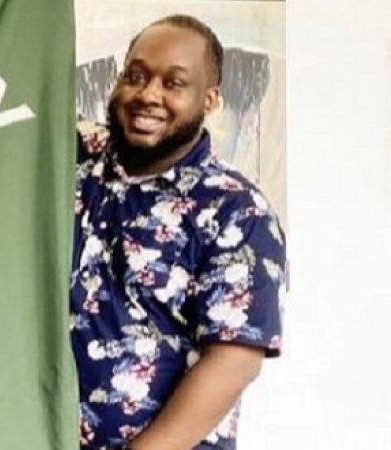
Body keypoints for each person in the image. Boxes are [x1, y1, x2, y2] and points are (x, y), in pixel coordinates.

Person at [71, 14, 287, 450]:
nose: (148, 94)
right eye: (136, 76)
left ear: (209, 100)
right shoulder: (72, 169)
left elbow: (233, 360)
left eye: (174, 83)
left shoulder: (236, 211)